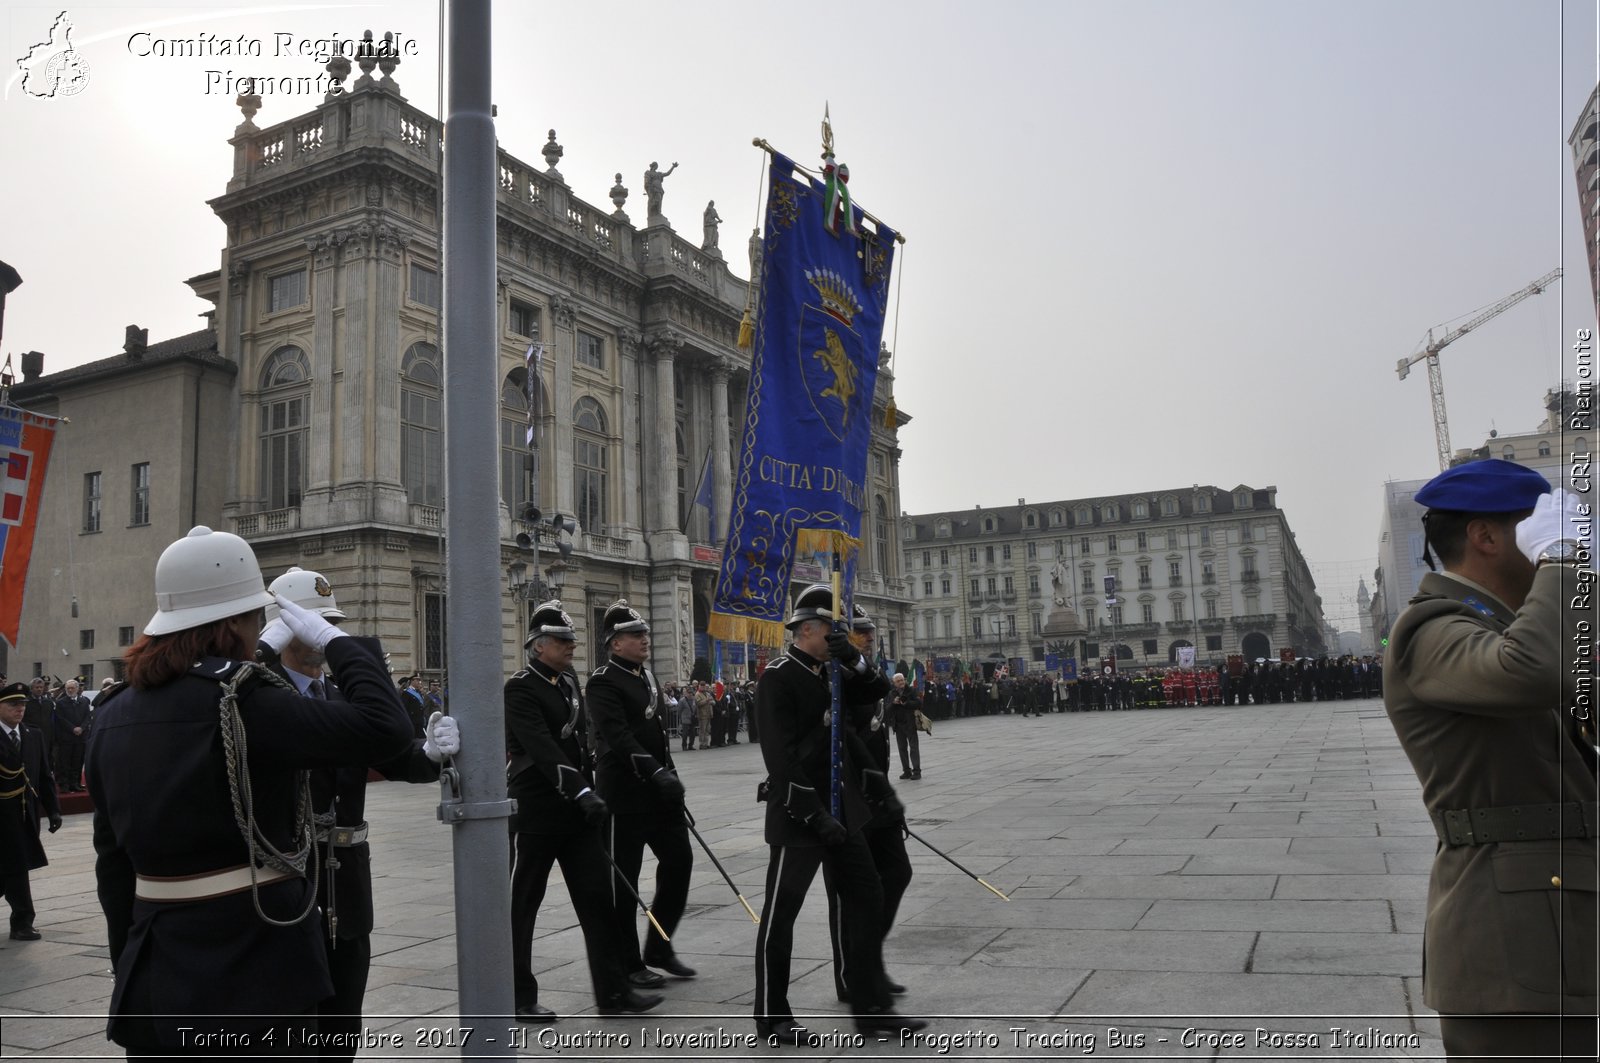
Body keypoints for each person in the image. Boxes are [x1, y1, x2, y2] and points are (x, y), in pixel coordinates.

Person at [86, 525, 414, 1057]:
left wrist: (130, 956)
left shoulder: (113, 713)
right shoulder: (243, 701)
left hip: (156, 968)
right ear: (238, 621)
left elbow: (114, 864)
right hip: (256, 964)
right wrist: (338, 643)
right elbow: (386, 727)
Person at [1382, 461, 1597, 1060]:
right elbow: (1532, 673)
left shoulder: (1513, 628)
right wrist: (1558, 561)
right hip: (1519, 941)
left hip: (1564, 921)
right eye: (1543, 528)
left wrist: (1579, 580)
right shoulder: (1432, 628)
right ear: (1486, 537)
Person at [256, 565, 457, 1060]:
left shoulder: (339, 696)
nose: (326, 641)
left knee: (346, 1013)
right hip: (294, 875)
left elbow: (391, 757)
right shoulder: (261, 699)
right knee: (298, 1022)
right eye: (314, 626)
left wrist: (427, 755)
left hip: (347, 875)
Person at [752, 583, 924, 1044]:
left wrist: (851, 656)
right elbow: (779, 757)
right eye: (832, 626)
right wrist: (813, 813)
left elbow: (878, 686)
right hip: (799, 813)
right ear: (807, 629)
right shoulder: (779, 676)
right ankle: (771, 1013)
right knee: (780, 915)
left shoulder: (832, 670)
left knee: (867, 899)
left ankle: (871, 1007)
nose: (839, 632)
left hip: (842, 810)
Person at [507, 600, 662, 1023]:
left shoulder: (567, 681)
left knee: (598, 900)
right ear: (539, 645)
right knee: (525, 905)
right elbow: (540, 747)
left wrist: (587, 791)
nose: (571, 645)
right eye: (562, 640)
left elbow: (580, 747)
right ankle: (519, 995)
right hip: (538, 810)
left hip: (576, 813)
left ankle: (613, 991)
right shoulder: (520, 687)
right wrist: (580, 791)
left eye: (572, 639)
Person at [586, 600, 697, 988]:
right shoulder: (602, 681)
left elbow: (659, 741)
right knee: (624, 882)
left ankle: (659, 945)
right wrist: (655, 773)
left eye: (644, 633)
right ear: (615, 643)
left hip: (658, 795)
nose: (644, 639)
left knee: (680, 862)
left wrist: (671, 779)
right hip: (623, 798)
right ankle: (627, 962)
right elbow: (618, 737)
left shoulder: (647, 677)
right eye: (636, 635)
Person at [825, 604, 913, 1005]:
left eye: (871, 630)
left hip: (878, 795)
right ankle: (852, 973)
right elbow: (846, 736)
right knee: (850, 894)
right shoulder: (839, 676)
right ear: (843, 637)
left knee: (897, 872)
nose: (871, 636)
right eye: (861, 632)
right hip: (850, 795)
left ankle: (869, 961)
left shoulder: (869, 673)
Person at [0, 682, 61, 941]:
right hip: (1, 817)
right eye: (13, 704)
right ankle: (22, 919)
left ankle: (22, 922)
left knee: (17, 868)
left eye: (23, 704)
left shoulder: (33, 734)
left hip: (24, 816)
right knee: (10, 869)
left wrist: (54, 810)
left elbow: (44, 776)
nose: (20, 709)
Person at [53, 678, 91, 793]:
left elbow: (87, 716)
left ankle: (76, 784)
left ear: (77, 689)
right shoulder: (61, 703)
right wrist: (73, 728)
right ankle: (65, 785)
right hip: (66, 738)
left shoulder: (84, 701)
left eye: (72, 688)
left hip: (80, 737)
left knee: (77, 762)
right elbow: (60, 719)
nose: (70, 690)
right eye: (68, 688)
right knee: (65, 763)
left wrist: (82, 728)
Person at [22, 678, 55, 785]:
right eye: (37, 687)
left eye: (41, 687)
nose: (39, 689)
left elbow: (51, 721)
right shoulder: (26, 702)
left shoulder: (48, 703)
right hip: (30, 738)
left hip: (46, 737)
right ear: (31, 689)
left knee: (46, 763)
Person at [889, 673, 922, 780]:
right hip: (898, 725)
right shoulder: (892, 693)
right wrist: (894, 702)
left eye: (902, 680)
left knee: (913, 747)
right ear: (894, 683)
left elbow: (918, 703)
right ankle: (906, 771)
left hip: (910, 723)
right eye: (898, 681)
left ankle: (916, 771)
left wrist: (906, 703)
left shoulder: (911, 690)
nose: (901, 682)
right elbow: (887, 708)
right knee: (902, 748)